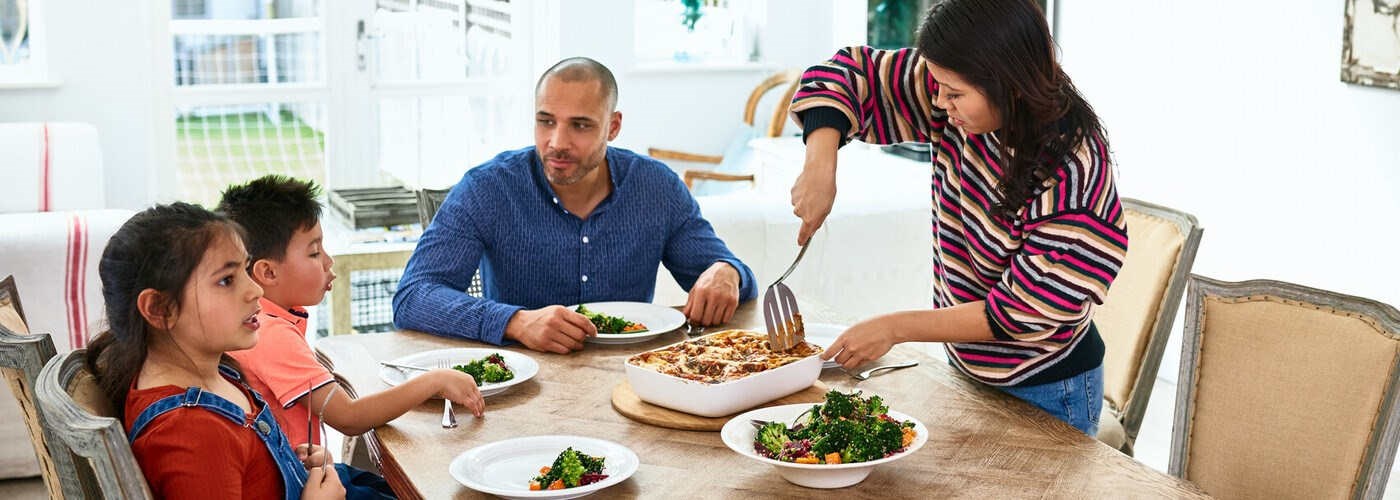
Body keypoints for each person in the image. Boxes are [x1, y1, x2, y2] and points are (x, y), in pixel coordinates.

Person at [789, 0, 1128, 435]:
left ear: (1011, 84)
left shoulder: (1073, 174)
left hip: (1047, 386)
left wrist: (893, 328)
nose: (938, 100)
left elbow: (1016, 312)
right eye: (936, 84)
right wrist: (821, 164)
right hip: (966, 368)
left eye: (953, 93)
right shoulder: (954, 88)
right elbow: (844, 75)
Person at [393, 57, 758, 354]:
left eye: (580, 125)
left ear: (613, 127)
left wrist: (727, 272)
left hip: (632, 380)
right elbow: (413, 297)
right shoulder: (487, 188)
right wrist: (516, 322)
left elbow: (730, 278)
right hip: (522, 385)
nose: (557, 142)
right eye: (546, 121)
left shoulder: (656, 187)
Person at [218, 175, 486, 499]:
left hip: (304, 469)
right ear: (268, 273)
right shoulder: (269, 334)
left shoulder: (268, 321)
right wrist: (433, 381)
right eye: (315, 253)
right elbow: (349, 417)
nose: (329, 263)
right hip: (298, 486)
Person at [84, 203, 344, 499]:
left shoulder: (218, 373)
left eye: (245, 269)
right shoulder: (192, 433)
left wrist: (290, 468)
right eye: (226, 280)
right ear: (159, 309)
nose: (255, 290)